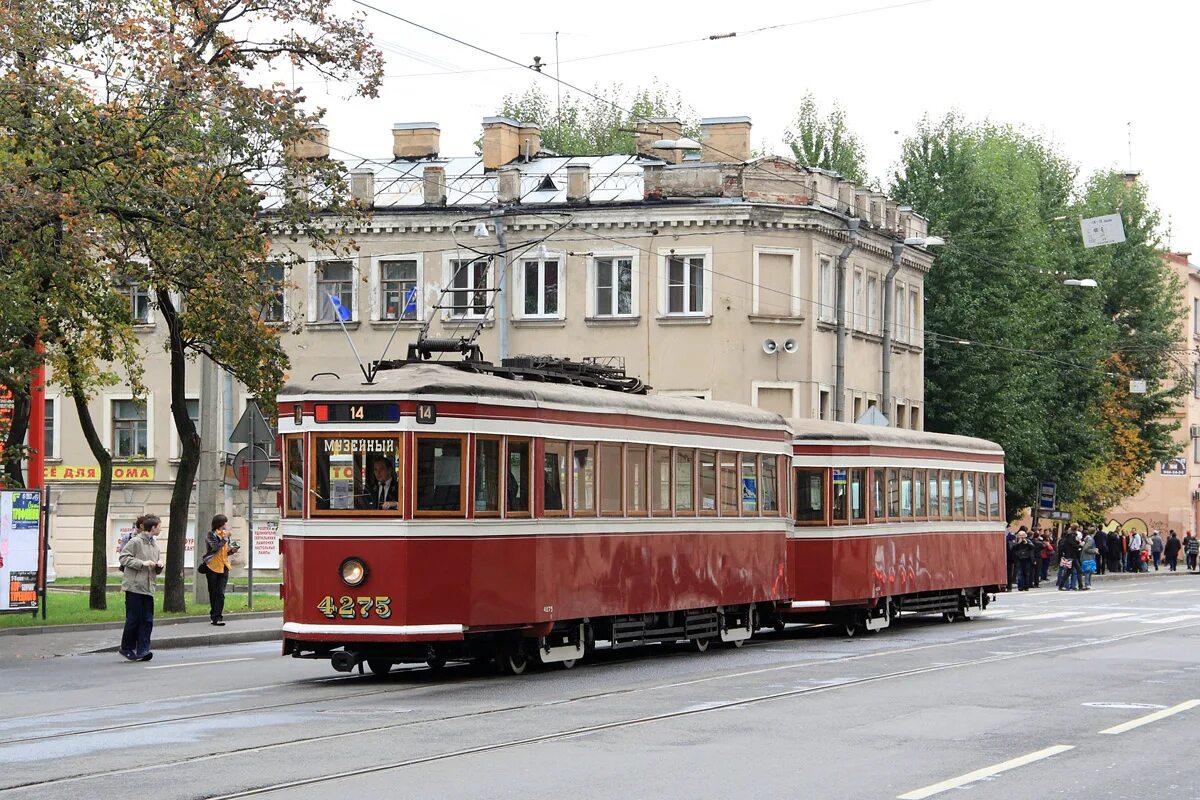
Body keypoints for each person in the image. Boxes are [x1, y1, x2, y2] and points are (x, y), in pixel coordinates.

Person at [118, 514, 162, 662]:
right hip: (134, 586)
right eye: (159, 526)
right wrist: (142, 563)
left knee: (147, 620)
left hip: (148, 587)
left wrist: (158, 567)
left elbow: (154, 566)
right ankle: (127, 647)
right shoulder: (136, 541)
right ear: (153, 527)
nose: (161, 529)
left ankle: (143, 649)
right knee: (134, 618)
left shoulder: (155, 545)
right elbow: (124, 558)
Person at [201, 513, 239, 626]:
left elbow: (224, 552)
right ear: (220, 524)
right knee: (213, 592)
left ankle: (218, 617)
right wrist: (225, 538)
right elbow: (215, 547)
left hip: (224, 566)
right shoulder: (211, 535)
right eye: (225, 522)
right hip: (212, 566)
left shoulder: (225, 535)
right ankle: (213, 616)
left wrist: (232, 551)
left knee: (220, 593)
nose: (226, 524)